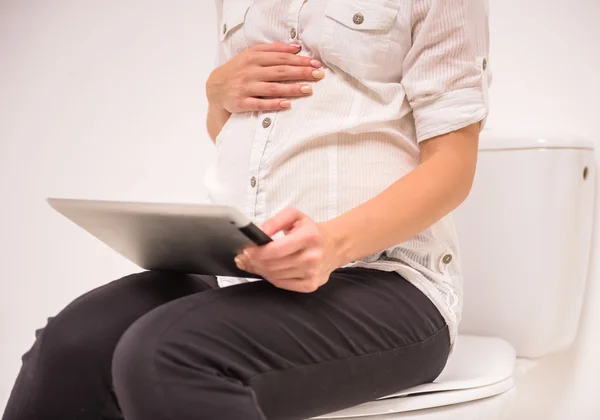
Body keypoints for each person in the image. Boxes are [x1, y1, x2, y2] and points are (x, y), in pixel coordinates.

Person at [2, 0, 490, 419]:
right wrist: (217, 96)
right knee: (72, 346)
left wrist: (331, 243)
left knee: (165, 354)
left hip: (392, 284)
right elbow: (241, 134)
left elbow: (453, 165)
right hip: (247, 274)